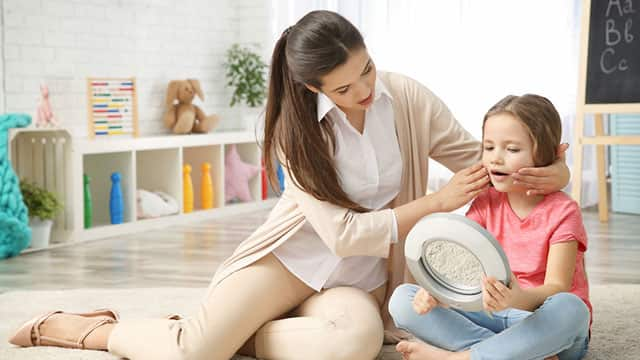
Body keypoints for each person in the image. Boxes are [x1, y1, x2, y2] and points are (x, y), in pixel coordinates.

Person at [8, 11, 570, 360]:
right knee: (194, 354)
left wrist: (557, 173)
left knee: (355, 344)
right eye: (347, 87)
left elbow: (484, 162)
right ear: (312, 86)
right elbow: (345, 235)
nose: (367, 89)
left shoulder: (407, 97)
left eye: (368, 69)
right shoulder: (292, 134)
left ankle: (233, 334)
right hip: (289, 262)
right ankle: (92, 331)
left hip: (358, 279)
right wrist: (438, 202)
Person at [388, 94, 591, 360]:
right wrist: (437, 293)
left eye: (512, 149)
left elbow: (556, 287)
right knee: (403, 300)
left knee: (571, 308)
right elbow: (456, 266)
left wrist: (516, 299)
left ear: (547, 155)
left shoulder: (564, 210)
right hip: (490, 316)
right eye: (489, 147)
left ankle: (462, 357)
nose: (496, 159)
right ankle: (518, 353)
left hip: (542, 320)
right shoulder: (485, 203)